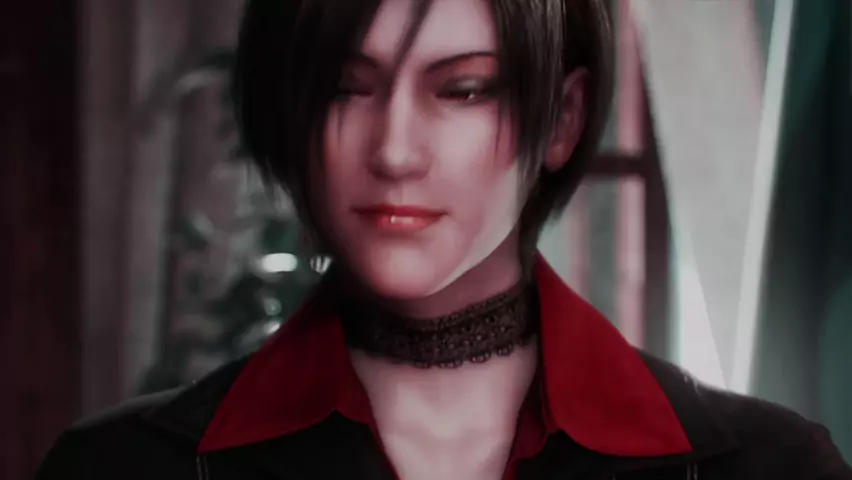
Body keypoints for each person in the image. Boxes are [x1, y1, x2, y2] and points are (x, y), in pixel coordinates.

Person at [38, 0, 852, 478]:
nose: (395, 151)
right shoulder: (115, 470)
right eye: (345, 88)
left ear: (564, 119)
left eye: (463, 90)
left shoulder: (772, 468)